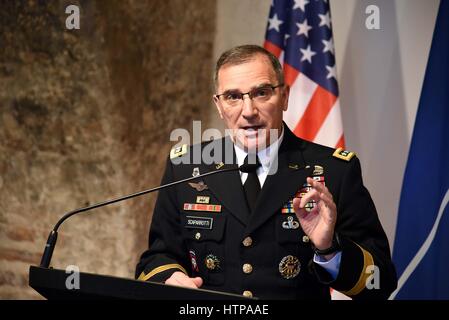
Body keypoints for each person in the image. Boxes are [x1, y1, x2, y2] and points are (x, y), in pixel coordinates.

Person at [135, 45, 397, 299]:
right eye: (233, 96)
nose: (248, 112)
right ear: (219, 105)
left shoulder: (335, 171)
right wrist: (170, 277)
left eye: (261, 92)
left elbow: (380, 282)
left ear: (284, 96)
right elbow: (158, 258)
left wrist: (329, 249)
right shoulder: (186, 168)